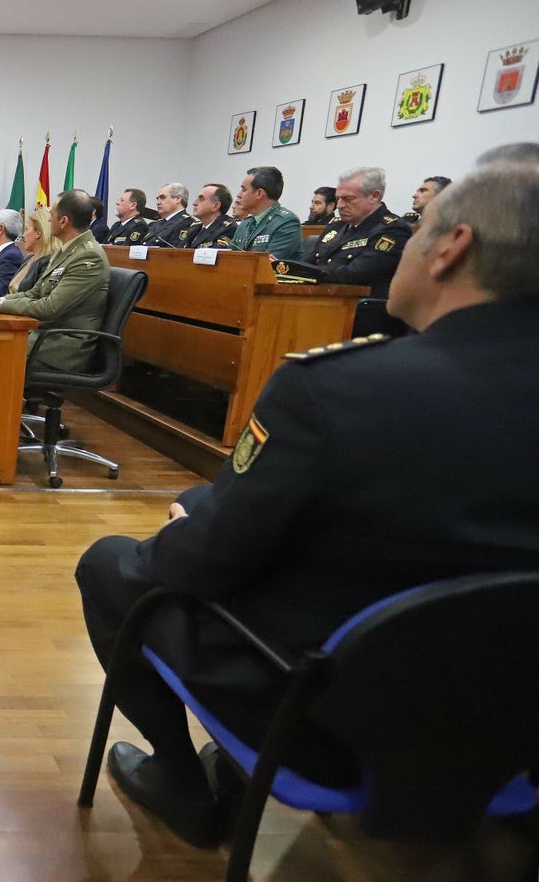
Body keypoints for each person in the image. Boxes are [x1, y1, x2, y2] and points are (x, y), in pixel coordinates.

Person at [72, 159, 539, 850]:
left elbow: (206, 564)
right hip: (512, 723)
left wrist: (183, 536)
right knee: (205, 498)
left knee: (114, 564)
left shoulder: (336, 390)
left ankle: (184, 784)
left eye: (418, 233)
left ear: (451, 248)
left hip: (330, 716)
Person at [0, 190, 108, 373]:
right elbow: (34, 293)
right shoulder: (66, 250)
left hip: (62, 346)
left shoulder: (88, 255)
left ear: (63, 221)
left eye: (52, 215)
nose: (48, 220)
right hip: (45, 336)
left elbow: (50, 308)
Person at [303, 167, 413, 296]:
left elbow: (355, 274)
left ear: (374, 196)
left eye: (348, 199)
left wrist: (307, 274)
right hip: (323, 300)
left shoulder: (392, 230)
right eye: (338, 199)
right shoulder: (335, 227)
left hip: (361, 307)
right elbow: (308, 263)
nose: (339, 205)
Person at [0, 205, 63, 297]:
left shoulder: (48, 262)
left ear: (38, 233)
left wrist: (0, 302)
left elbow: (35, 297)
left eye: (26, 229)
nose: (23, 235)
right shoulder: (28, 258)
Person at [229, 166, 302, 260]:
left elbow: (267, 265)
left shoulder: (286, 222)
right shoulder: (245, 224)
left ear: (259, 193)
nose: (238, 195)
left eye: (244, 190)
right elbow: (229, 258)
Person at [184, 183, 236, 249]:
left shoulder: (228, 228)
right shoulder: (195, 227)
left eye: (201, 199)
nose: (194, 203)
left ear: (215, 206)